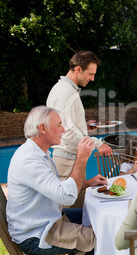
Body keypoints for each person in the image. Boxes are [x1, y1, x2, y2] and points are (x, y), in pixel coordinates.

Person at [6, 106, 107, 255]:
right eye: (59, 125)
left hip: (47, 221)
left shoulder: (39, 153)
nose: (63, 130)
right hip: (36, 235)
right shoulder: (29, 160)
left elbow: (55, 188)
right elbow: (66, 197)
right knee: (101, 239)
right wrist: (82, 158)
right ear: (42, 128)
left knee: (96, 216)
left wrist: (87, 182)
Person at [47, 51, 113, 206]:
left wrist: (84, 127)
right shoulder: (67, 93)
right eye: (90, 74)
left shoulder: (62, 88)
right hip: (66, 161)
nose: (92, 78)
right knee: (77, 206)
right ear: (78, 69)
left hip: (68, 159)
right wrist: (98, 144)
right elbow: (67, 133)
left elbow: (65, 125)